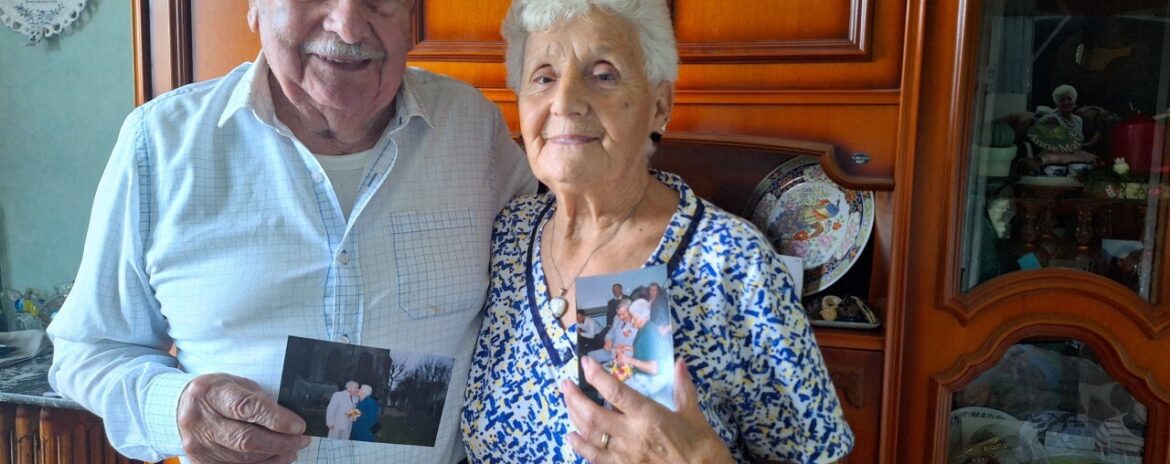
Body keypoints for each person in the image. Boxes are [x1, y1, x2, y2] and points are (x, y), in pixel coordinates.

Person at [45, 0, 535, 462]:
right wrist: (173, 406)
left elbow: (553, 293)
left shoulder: (475, 131)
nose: (347, 25)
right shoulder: (159, 143)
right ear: (254, 7)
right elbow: (88, 350)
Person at [461, 1, 853, 462]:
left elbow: (821, 455)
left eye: (603, 74)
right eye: (543, 77)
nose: (564, 101)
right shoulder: (509, 235)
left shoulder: (733, 261)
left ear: (659, 106)